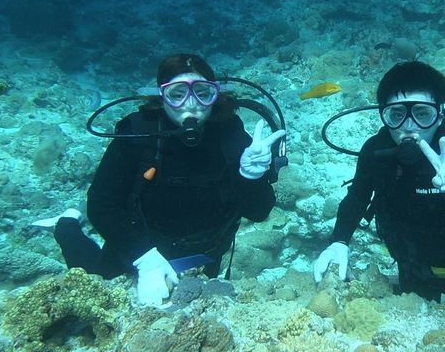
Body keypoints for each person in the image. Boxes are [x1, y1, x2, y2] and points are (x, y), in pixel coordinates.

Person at [35, 54, 286, 306]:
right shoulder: (138, 134)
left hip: (204, 255)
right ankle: (66, 225)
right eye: (177, 95)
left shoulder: (229, 133)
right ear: (161, 97)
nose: (191, 105)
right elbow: (102, 206)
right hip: (138, 248)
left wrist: (251, 177)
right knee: (94, 288)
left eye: (202, 93)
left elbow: (258, 211)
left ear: (215, 96)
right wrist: (145, 258)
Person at [312, 61, 445, 304]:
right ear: (383, 114)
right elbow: (357, 197)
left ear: (440, 114)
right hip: (410, 270)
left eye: (422, 114)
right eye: (397, 114)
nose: (409, 127)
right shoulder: (376, 151)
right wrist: (339, 241)